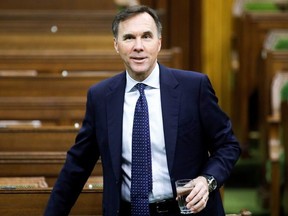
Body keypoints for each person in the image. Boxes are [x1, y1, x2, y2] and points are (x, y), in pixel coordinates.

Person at [44, 5, 241, 216]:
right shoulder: (101, 97)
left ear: (159, 42)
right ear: (116, 45)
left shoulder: (194, 88)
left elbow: (228, 145)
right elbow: (77, 167)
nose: (138, 46)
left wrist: (207, 180)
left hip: (187, 211)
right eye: (129, 38)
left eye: (146, 36)